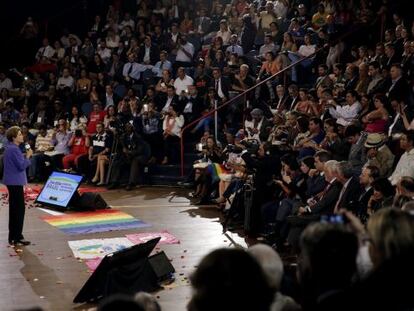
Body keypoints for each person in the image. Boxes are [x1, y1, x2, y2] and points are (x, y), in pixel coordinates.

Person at [2, 126, 33, 246]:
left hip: (11, 182)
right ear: (14, 137)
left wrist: (24, 155)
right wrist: (28, 156)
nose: (22, 136)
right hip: (15, 182)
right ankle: (18, 236)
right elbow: (21, 166)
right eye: (19, 134)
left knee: (14, 210)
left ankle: (13, 236)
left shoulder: (10, 148)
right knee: (19, 210)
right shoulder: (14, 149)